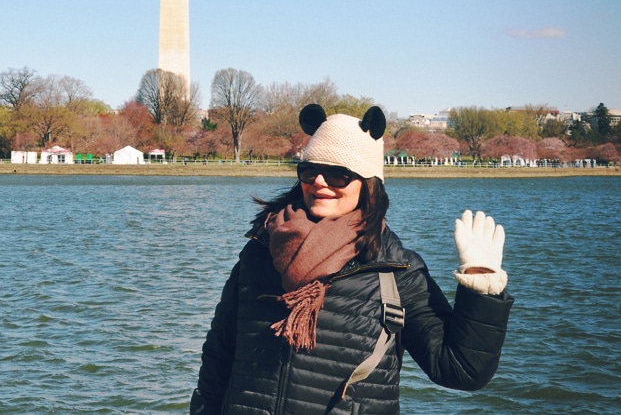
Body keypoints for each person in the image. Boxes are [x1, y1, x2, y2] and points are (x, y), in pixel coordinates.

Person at [190, 104, 513, 415]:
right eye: (309, 170)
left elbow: (460, 369)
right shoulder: (262, 247)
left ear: (368, 184)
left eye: (338, 174)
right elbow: (219, 358)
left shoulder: (395, 269)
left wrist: (481, 285)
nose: (319, 182)